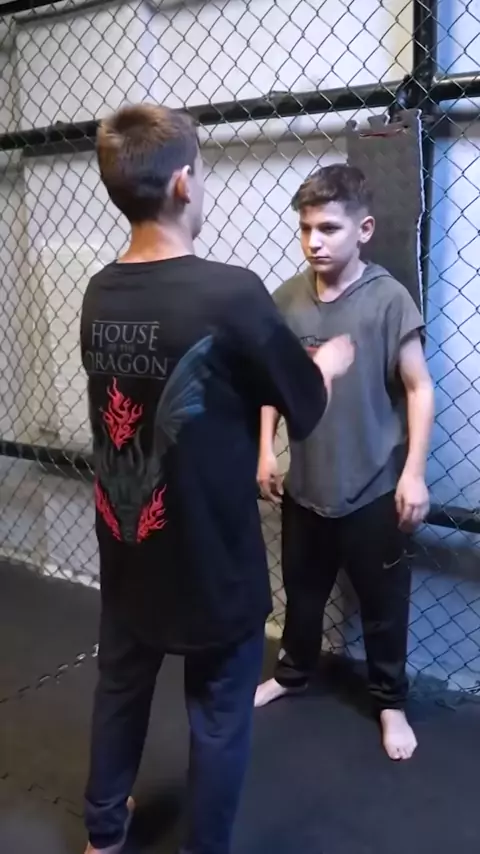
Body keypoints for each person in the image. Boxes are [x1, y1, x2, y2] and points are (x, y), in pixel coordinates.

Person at [79, 104, 355, 854]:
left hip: (129, 544)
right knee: (220, 714)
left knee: (120, 687)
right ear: (181, 184)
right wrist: (327, 363)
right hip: (212, 560)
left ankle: (103, 834)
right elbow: (302, 404)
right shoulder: (230, 293)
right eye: (199, 174)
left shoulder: (100, 292)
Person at [255, 164, 434, 762]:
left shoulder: (388, 299)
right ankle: (292, 674)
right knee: (302, 596)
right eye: (306, 228)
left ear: (364, 229)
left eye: (329, 228)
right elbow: (272, 382)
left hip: (374, 487)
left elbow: (419, 388)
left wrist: (413, 473)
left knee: (383, 606)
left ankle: (389, 702)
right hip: (306, 486)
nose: (314, 241)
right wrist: (265, 448)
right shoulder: (286, 299)